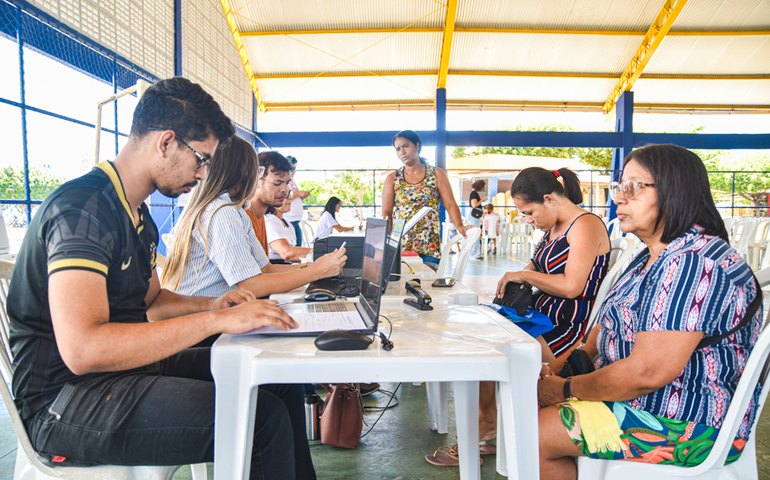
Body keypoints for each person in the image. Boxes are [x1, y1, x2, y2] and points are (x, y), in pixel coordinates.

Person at [7, 78, 316, 478]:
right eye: (201, 159)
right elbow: (83, 349)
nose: (203, 175)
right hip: (67, 402)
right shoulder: (82, 211)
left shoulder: (135, 214)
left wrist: (215, 304)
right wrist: (214, 321)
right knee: (261, 419)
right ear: (166, 142)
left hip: (123, 376)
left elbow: (153, 302)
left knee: (273, 379)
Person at [538, 144, 763, 480]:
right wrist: (563, 369)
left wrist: (565, 389)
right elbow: (605, 329)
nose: (619, 198)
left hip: (688, 421)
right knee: (524, 408)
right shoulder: (652, 256)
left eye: (633, 187)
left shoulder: (692, 263)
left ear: (674, 190)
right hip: (645, 402)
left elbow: (645, 374)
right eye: (619, 188)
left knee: (533, 434)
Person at [426, 166, 610, 468]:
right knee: (477, 330)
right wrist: (517, 278)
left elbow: (572, 286)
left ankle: (487, 426)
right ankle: (491, 423)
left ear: (549, 199)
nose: (528, 220)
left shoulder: (584, 225)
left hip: (566, 325)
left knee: (489, 343)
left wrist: (524, 274)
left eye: (529, 212)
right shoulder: (554, 228)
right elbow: (535, 268)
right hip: (541, 314)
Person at [162, 137, 346, 299]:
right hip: (203, 328)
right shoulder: (222, 212)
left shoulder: (236, 211)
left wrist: (317, 267)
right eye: (256, 171)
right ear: (244, 174)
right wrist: (317, 271)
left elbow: (265, 269)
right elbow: (249, 285)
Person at [382, 130, 469, 268]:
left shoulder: (436, 174)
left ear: (417, 146)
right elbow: (386, 213)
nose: (402, 152)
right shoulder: (393, 178)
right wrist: (389, 242)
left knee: (428, 284)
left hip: (429, 240)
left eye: (406, 146)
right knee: (401, 284)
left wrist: (459, 226)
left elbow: (450, 204)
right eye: (398, 149)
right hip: (401, 242)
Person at [266, 198, 312, 263]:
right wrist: (318, 252)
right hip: (276, 266)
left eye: (289, 194)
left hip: (287, 265)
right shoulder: (270, 221)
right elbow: (286, 253)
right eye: (283, 196)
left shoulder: (287, 223)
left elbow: (293, 256)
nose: (290, 198)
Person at [284, 156, 310, 247]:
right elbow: (285, 196)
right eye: (292, 168)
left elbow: (293, 197)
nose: (294, 171)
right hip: (289, 219)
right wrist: (298, 193)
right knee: (294, 248)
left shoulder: (292, 181)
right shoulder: (284, 181)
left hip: (295, 220)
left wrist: (301, 197)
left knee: (298, 248)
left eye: (295, 168)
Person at [467, 179, 486, 258]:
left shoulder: (474, 193)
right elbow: (474, 205)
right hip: (474, 216)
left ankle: (475, 253)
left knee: (476, 233)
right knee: (475, 233)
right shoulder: (474, 194)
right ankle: (474, 254)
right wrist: (482, 200)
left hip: (476, 216)